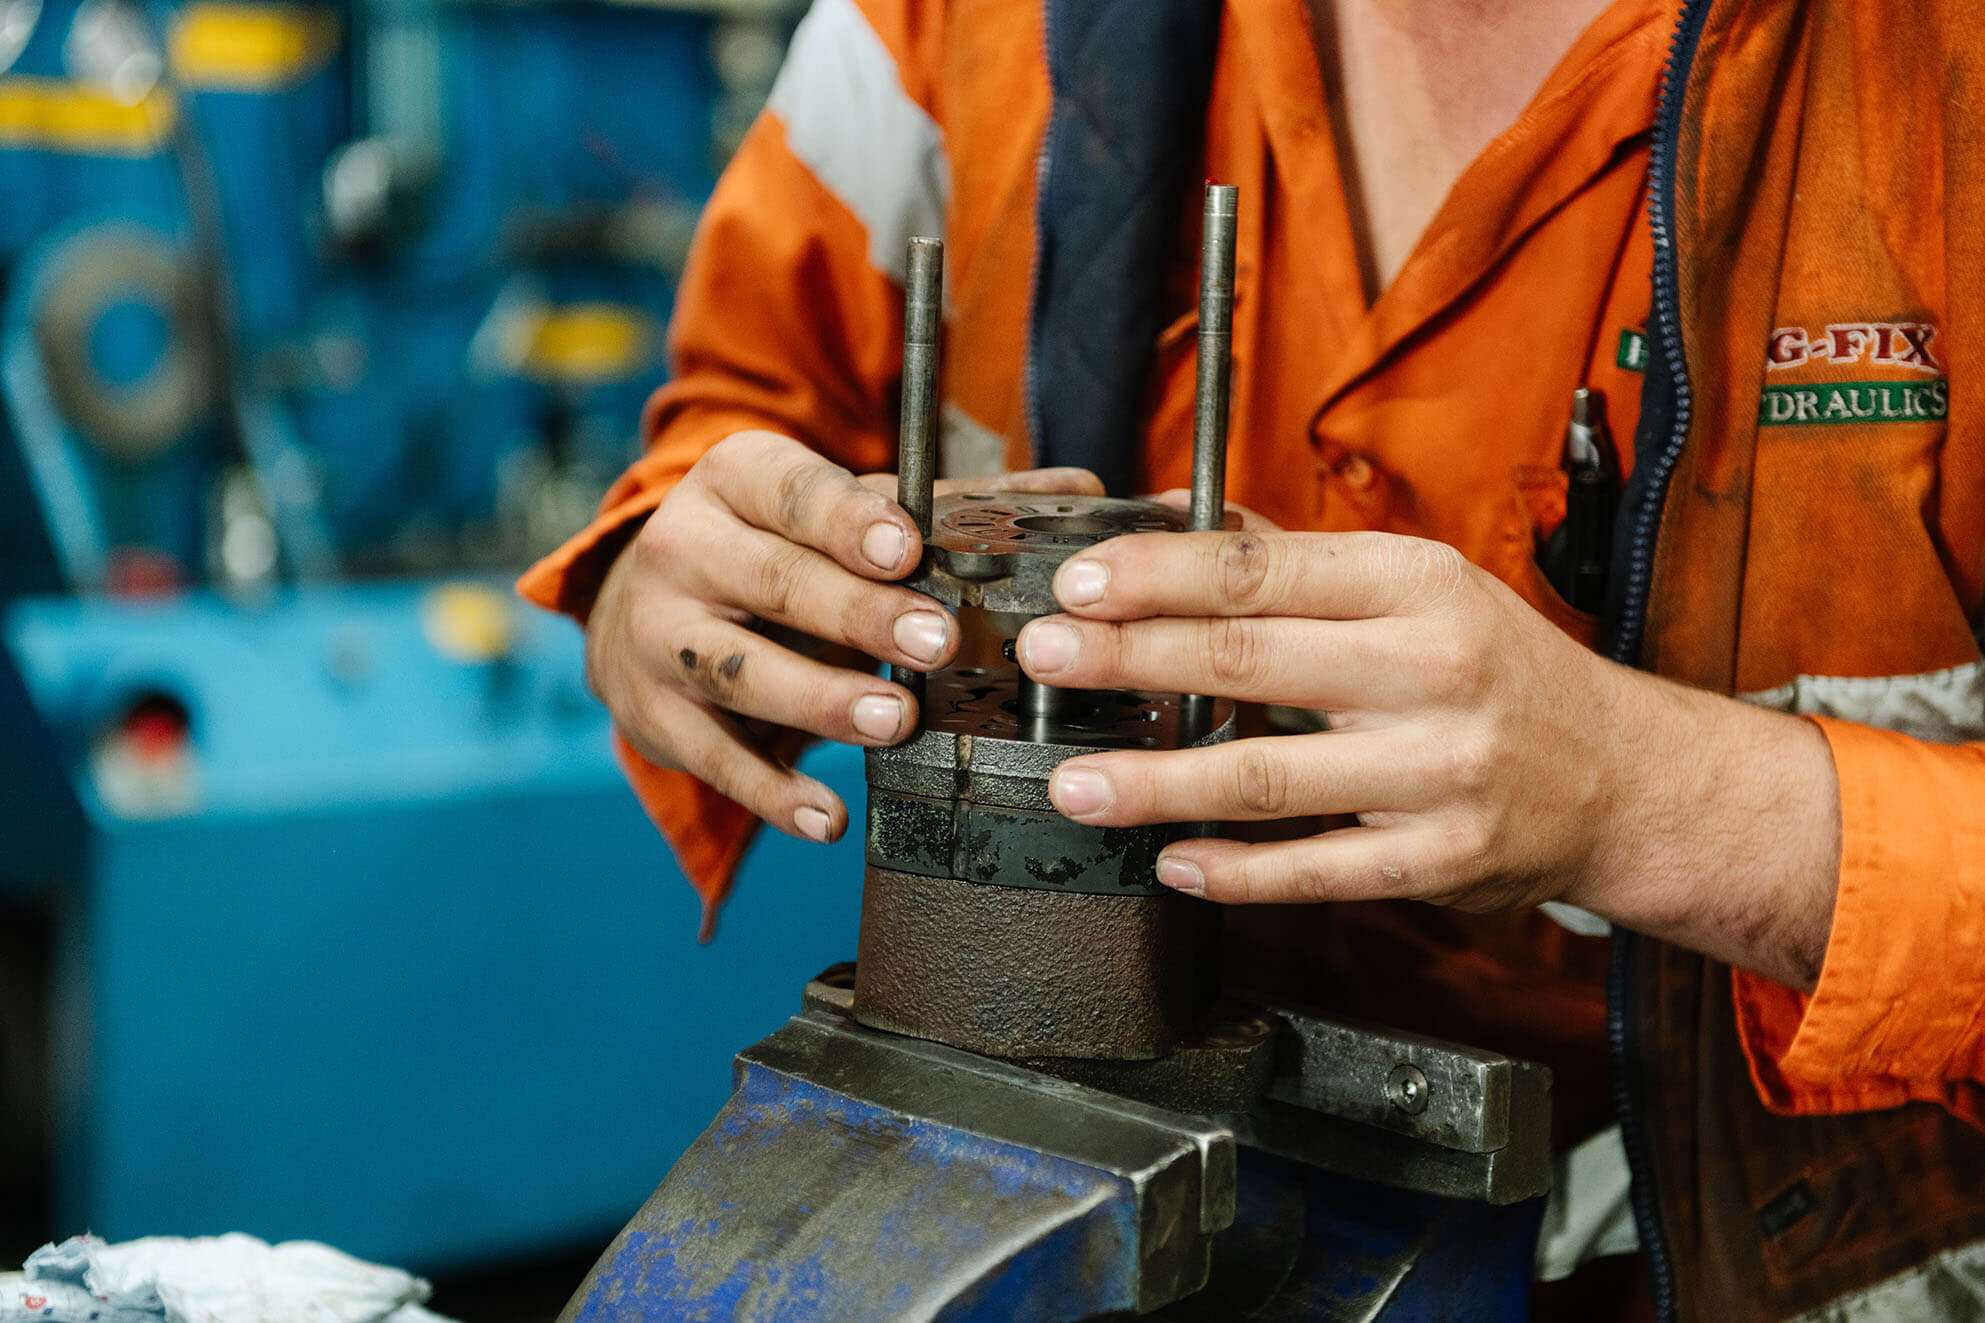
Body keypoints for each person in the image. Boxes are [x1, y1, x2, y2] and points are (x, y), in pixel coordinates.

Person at [518, 0, 1985, 1317]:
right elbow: (730, 423)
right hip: (1116, 1170)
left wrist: (1645, 800)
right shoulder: (935, 28)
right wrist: (673, 577)